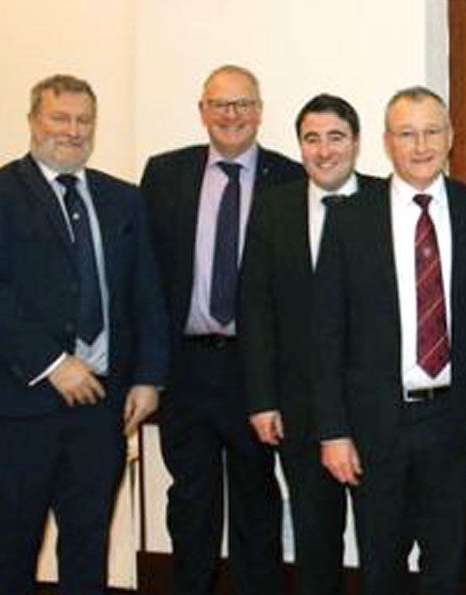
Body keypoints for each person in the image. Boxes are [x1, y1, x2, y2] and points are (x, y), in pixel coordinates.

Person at [0, 74, 168, 593]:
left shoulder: (123, 199)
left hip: (101, 411)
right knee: (10, 553)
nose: (72, 131)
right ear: (33, 121)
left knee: (88, 550)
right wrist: (54, 363)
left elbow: (145, 295)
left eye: (84, 120)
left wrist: (148, 378)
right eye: (60, 117)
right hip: (14, 409)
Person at [313, 86, 466, 594]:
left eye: (431, 131)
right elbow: (328, 334)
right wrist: (333, 431)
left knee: (448, 563)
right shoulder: (349, 220)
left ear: (451, 138)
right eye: (406, 133)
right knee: (381, 566)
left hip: (455, 420)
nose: (420, 145)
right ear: (387, 142)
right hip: (376, 424)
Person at [140, 64, 304, 594]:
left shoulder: (290, 178)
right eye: (219, 104)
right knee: (190, 502)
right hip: (186, 369)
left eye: (242, 104)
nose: (231, 115)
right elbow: (144, 278)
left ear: (259, 111)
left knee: (257, 500)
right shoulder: (163, 175)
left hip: (254, 372)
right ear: (202, 111)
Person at [238, 93, 378, 595]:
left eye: (335, 137)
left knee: (382, 542)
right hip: (299, 409)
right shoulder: (273, 209)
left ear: (357, 143)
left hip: (375, 410)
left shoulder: (387, 203)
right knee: (316, 542)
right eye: (311, 139)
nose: (323, 151)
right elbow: (255, 310)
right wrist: (261, 399)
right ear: (299, 146)